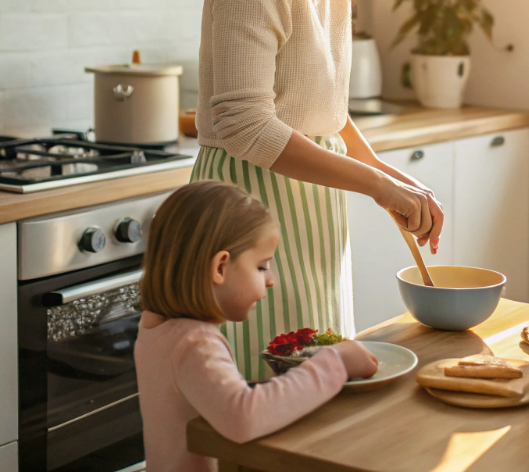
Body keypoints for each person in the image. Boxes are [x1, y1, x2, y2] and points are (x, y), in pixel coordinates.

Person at [194, 0, 459, 377]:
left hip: (311, 209)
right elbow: (245, 125)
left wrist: (392, 178)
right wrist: (376, 187)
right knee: (266, 395)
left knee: (315, 383)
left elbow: (326, 110)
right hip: (249, 208)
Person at [136, 181, 379, 472]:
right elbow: (243, 417)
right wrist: (335, 362)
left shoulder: (156, 326)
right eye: (262, 266)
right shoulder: (195, 343)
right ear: (220, 268)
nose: (270, 279)